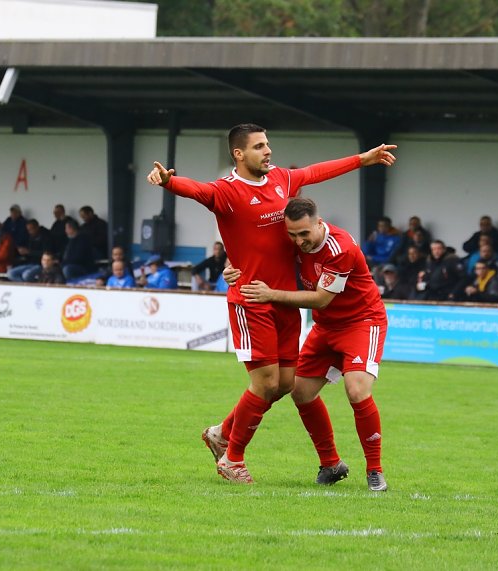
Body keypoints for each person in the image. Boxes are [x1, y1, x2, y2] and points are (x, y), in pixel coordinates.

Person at [147, 122, 396, 484]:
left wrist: (363, 159)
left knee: (283, 385)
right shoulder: (227, 191)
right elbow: (197, 191)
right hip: (253, 300)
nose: (268, 151)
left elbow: (315, 172)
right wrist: (169, 182)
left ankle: (221, 433)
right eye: (260, 146)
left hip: (285, 302)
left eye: (267, 144)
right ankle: (233, 458)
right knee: (265, 383)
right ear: (239, 153)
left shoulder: (281, 179)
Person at [224, 197, 390, 491]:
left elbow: (321, 299)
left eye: (304, 234)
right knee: (299, 392)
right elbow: (254, 251)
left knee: (357, 390)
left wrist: (270, 294)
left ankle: (375, 470)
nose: (298, 241)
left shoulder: (341, 248)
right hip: (325, 327)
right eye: (292, 234)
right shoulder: (292, 240)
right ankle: (330, 464)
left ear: (319, 222)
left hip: (362, 322)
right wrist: (232, 268)